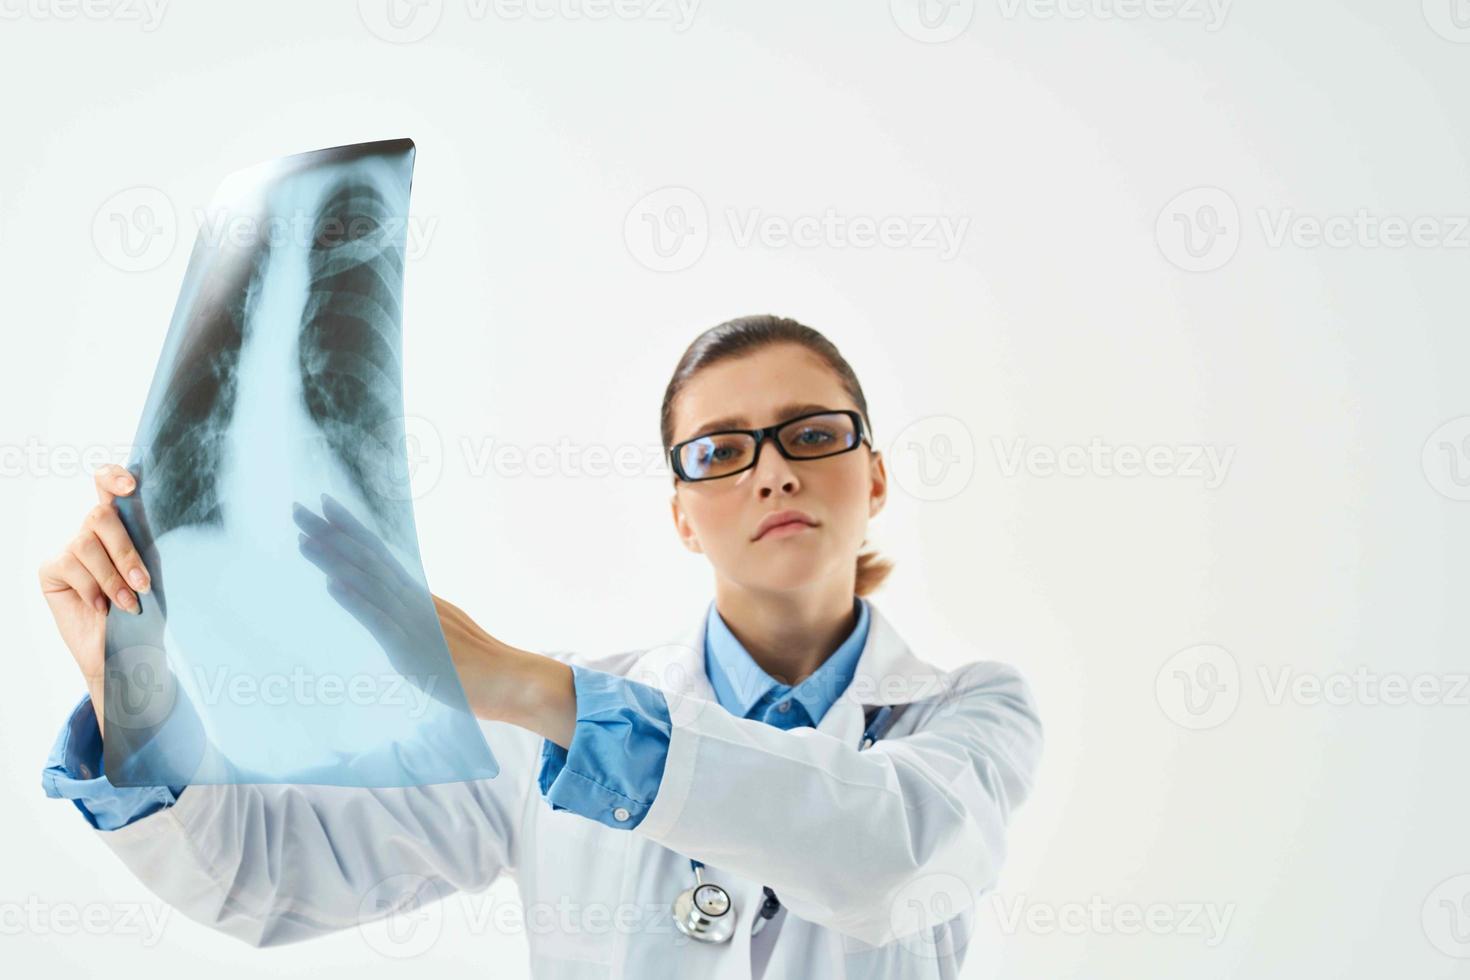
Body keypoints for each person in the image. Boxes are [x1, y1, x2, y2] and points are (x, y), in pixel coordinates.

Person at [36, 314, 1044, 978]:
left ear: (874, 476)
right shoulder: (535, 730)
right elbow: (268, 873)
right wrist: (136, 689)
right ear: (683, 515)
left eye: (811, 433)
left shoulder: (969, 712)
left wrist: (529, 685)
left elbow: (896, 856)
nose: (771, 472)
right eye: (720, 450)